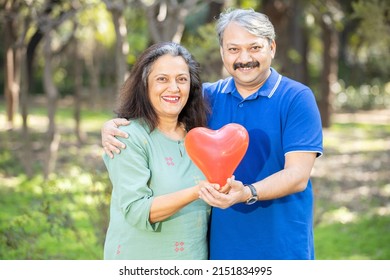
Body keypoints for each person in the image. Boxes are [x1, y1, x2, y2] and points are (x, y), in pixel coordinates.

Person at [101, 8, 323, 260]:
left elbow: (297, 176)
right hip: (220, 248)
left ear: (271, 48)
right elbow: (163, 107)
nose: (244, 58)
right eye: (233, 49)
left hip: (279, 245)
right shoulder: (207, 98)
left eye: (254, 47)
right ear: (222, 52)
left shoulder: (296, 98)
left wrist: (247, 192)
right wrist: (113, 126)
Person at [102, 42, 212, 260]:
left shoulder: (200, 136)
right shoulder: (128, 137)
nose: (174, 88)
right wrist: (199, 191)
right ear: (144, 85)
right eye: (162, 79)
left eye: (182, 79)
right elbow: (137, 210)